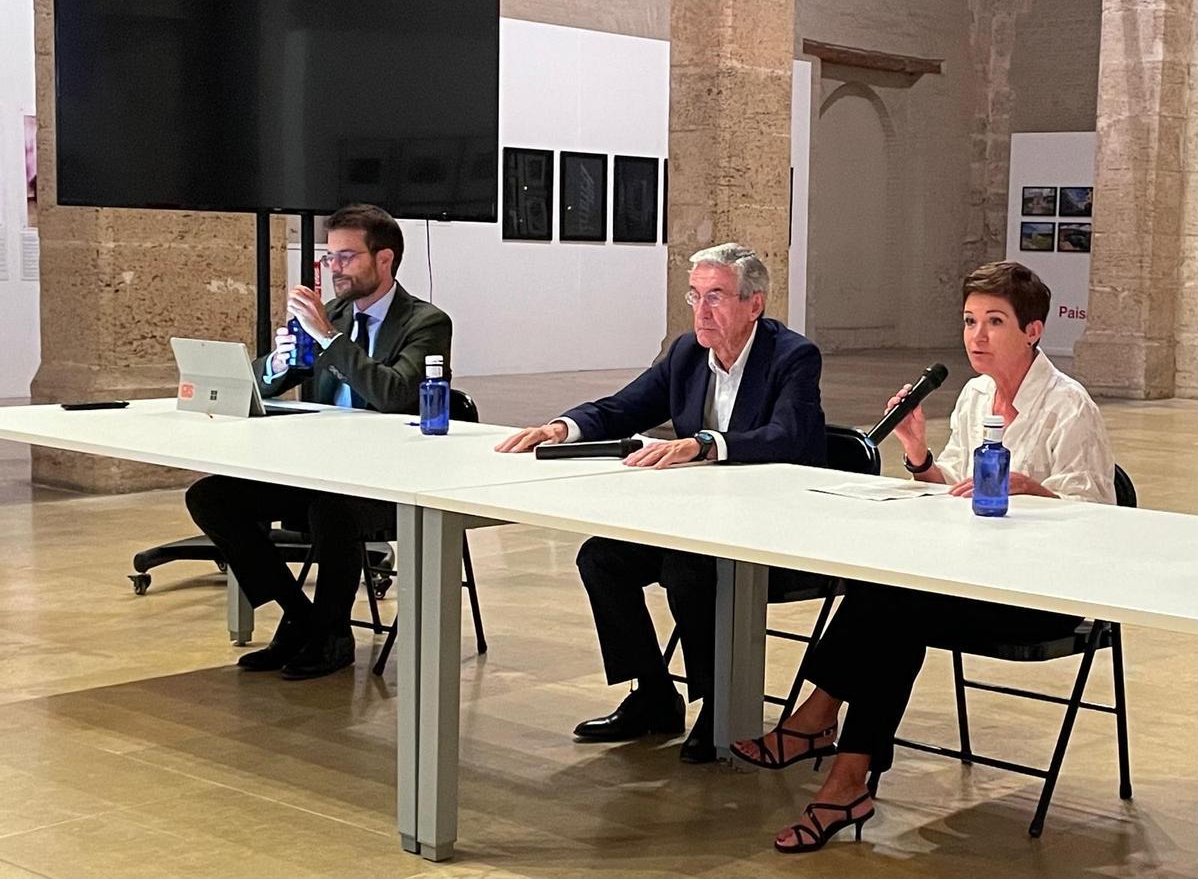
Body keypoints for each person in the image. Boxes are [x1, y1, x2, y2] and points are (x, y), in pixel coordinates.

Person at [731, 260, 1116, 853]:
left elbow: (1100, 515)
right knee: (883, 589)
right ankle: (843, 773)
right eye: (969, 321)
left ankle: (822, 735)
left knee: (893, 605)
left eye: (994, 322)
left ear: (1032, 330)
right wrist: (916, 452)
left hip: (1040, 595)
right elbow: (952, 490)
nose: (977, 337)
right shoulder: (974, 394)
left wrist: (1029, 487)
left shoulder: (1069, 405)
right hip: (971, 576)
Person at [496, 243, 826, 763]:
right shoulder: (686, 353)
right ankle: (653, 694)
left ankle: (719, 704)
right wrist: (563, 427)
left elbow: (788, 435)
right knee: (601, 557)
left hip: (772, 524)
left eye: (716, 296)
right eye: (695, 296)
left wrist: (705, 443)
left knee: (688, 568)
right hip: (698, 518)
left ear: (754, 304)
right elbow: (625, 406)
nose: (702, 310)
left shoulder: (792, 356)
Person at [186, 203, 452, 680]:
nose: (334, 270)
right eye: (330, 258)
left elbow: (393, 395)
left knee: (333, 507)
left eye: (347, 257)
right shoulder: (334, 315)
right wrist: (277, 364)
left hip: (389, 481)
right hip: (322, 469)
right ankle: (301, 616)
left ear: (385, 259)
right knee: (211, 496)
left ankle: (330, 632)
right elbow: (261, 385)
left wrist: (327, 337)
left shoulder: (425, 323)